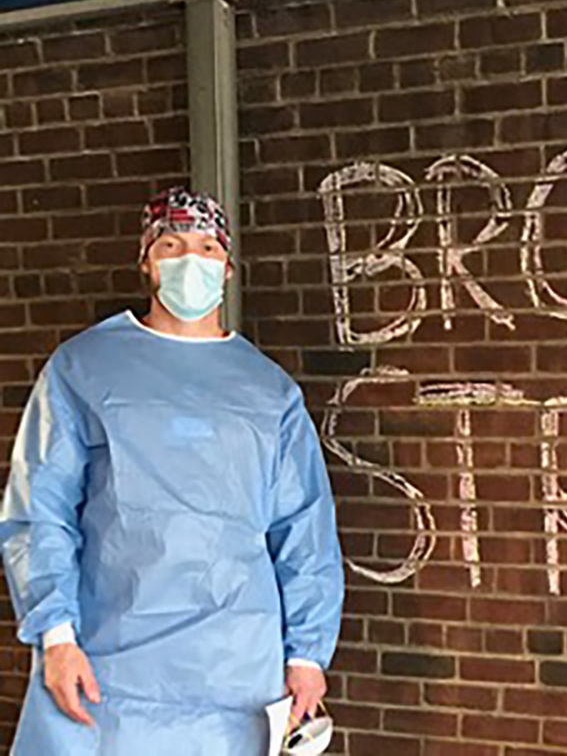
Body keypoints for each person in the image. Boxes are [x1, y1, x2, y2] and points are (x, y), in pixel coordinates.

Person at [0, 188, 345, 754]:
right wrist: (56, 636)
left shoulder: (268, 391)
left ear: (228, 267)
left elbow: (304, 530)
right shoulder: (84, 368)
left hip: (236, 670)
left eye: (207, 246)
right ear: (146, 260)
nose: (191, 259)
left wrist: (306, 655)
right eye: (171, 244)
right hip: (107, 664)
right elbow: (42, 509)